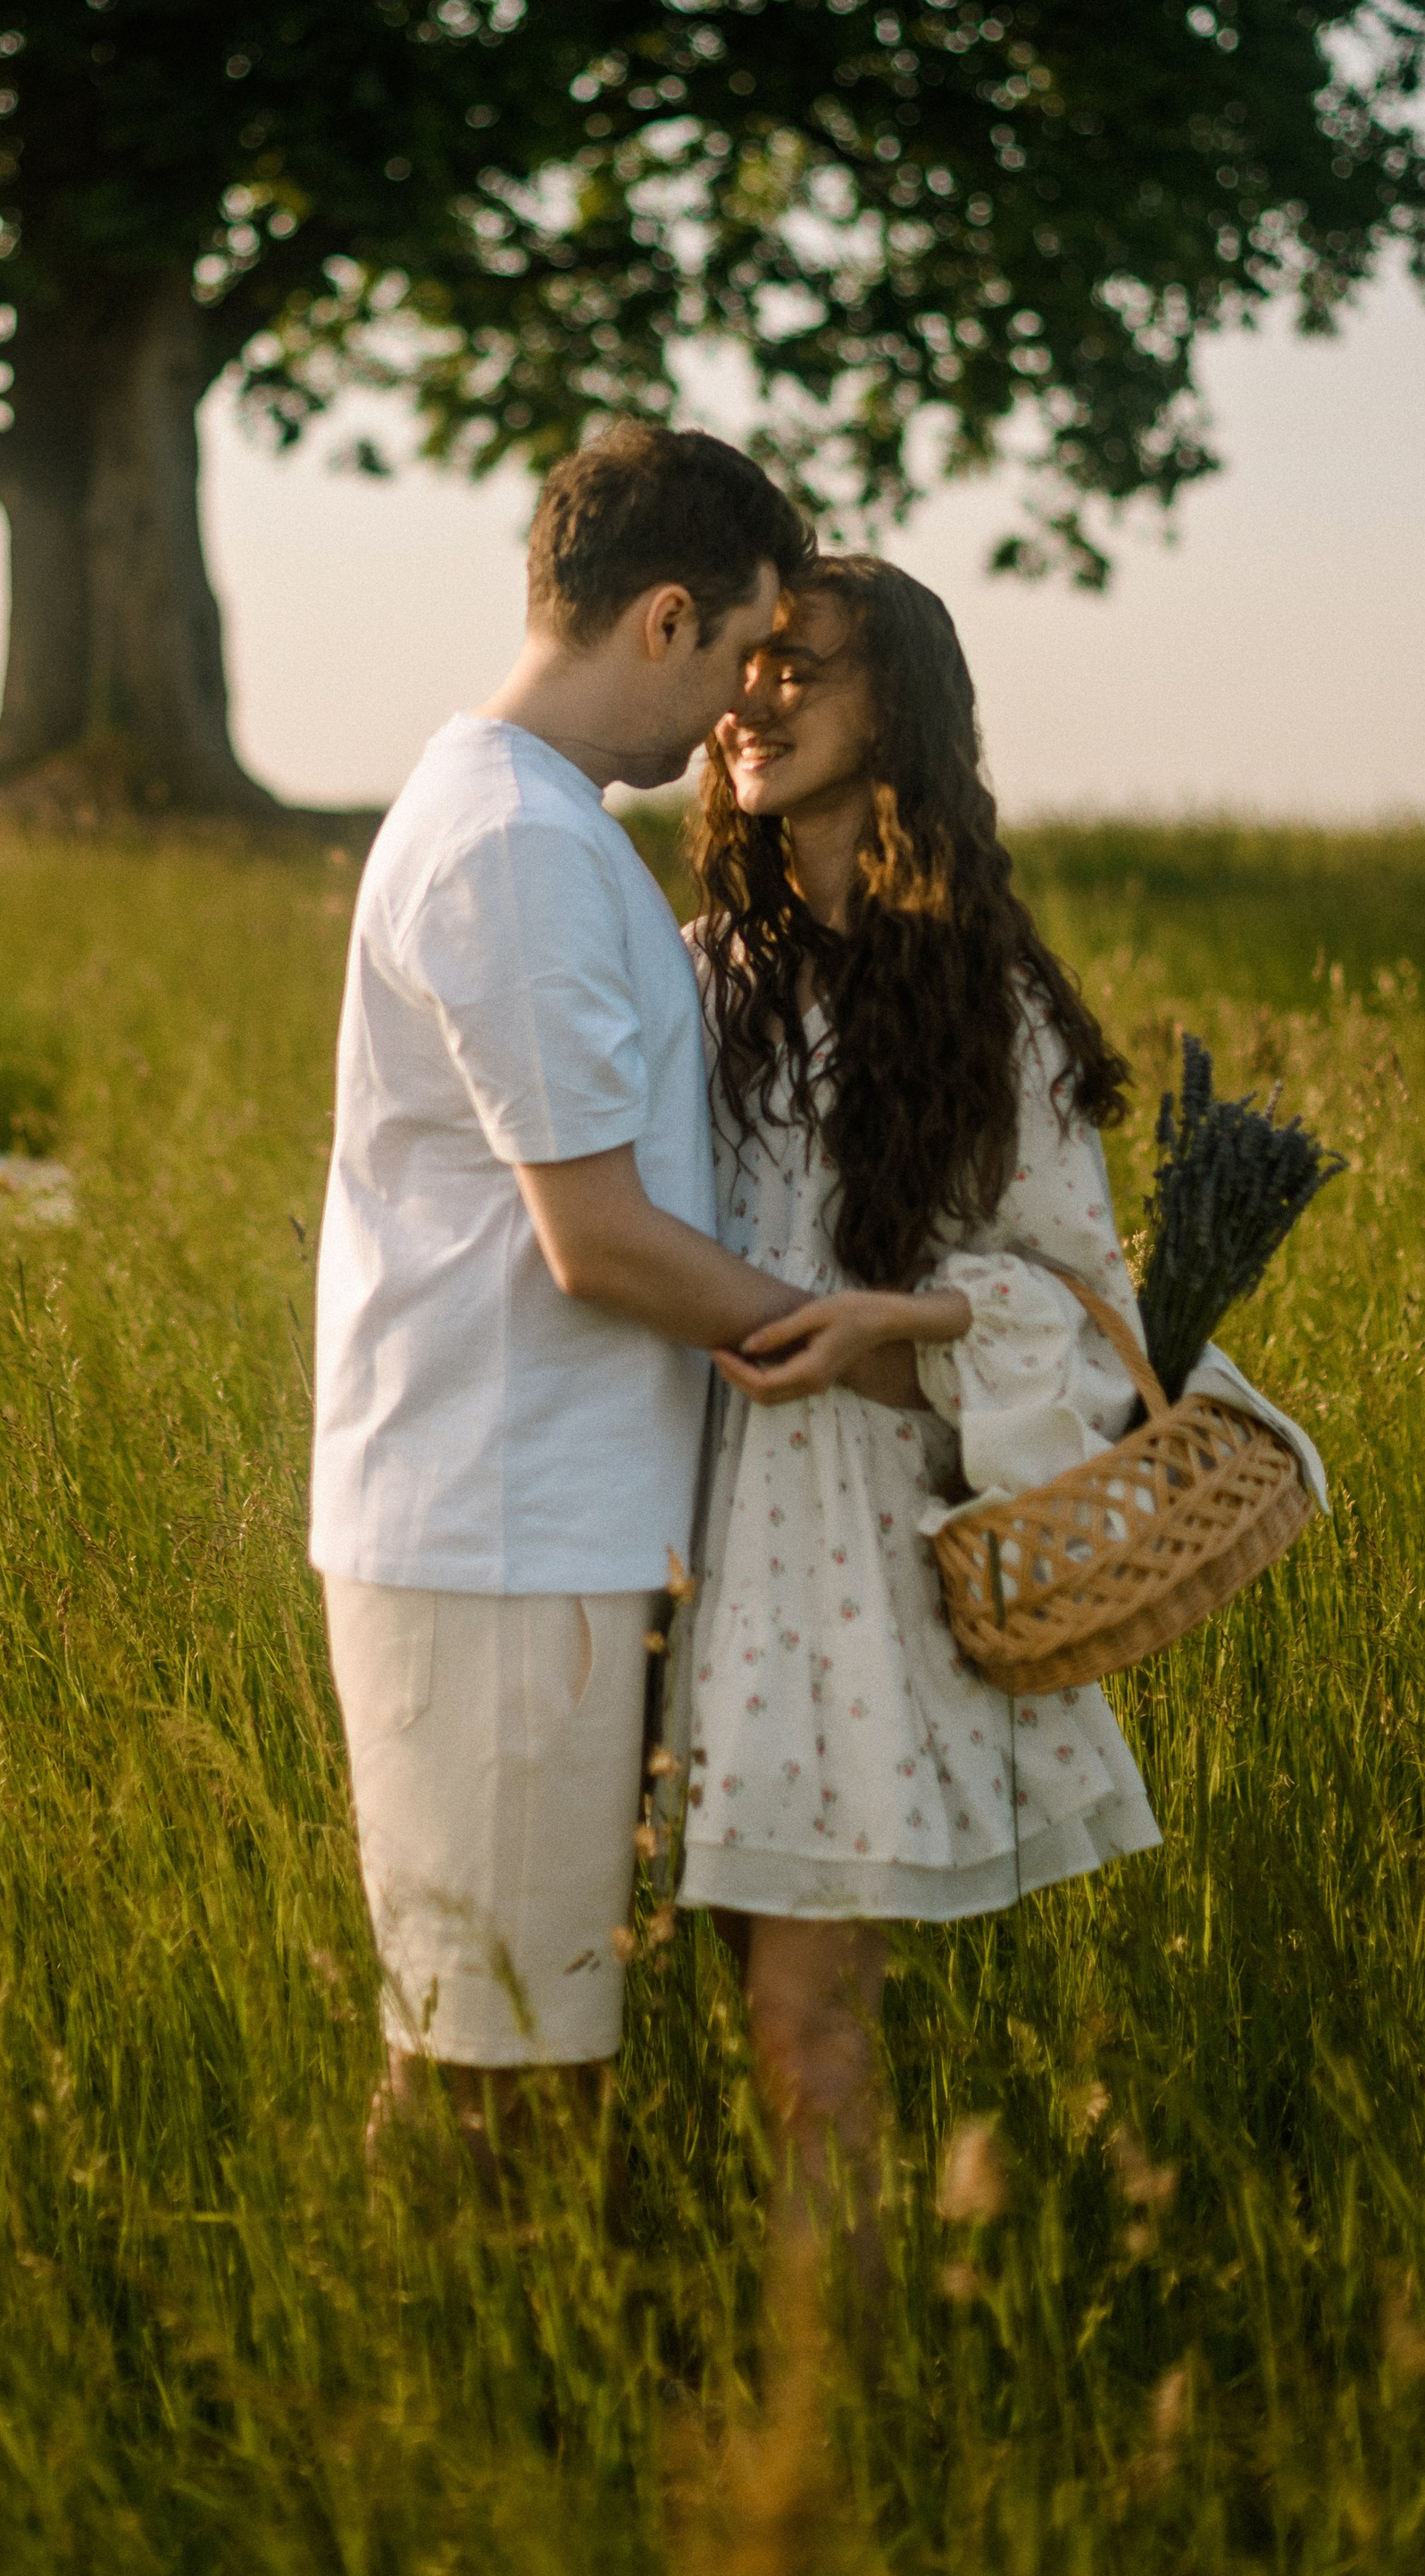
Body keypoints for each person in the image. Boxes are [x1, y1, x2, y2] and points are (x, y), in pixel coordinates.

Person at [310, 421, 815, 2162]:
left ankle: (462, 2399)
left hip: (544, 1523)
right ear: (663, 617)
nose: (745, 703)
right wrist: (875, 1359)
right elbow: (590, 1239)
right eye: (748, 647)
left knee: (515, 2043)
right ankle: (426, 2420)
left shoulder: (539, 824)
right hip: (494, 1532)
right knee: (489, 2074)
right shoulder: (508, 842)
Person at [666, 553, 1164, 2298]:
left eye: (804, 669)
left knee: (807, 2042)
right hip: (658, 1534)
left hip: (843, 1566)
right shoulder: (688, 973)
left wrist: (910, 1318)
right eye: (744, 665)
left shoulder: (976, 994)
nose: (756, 701)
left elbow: (1091, 1316)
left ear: (901, 714)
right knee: (662, 2033)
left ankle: (821, 2443)